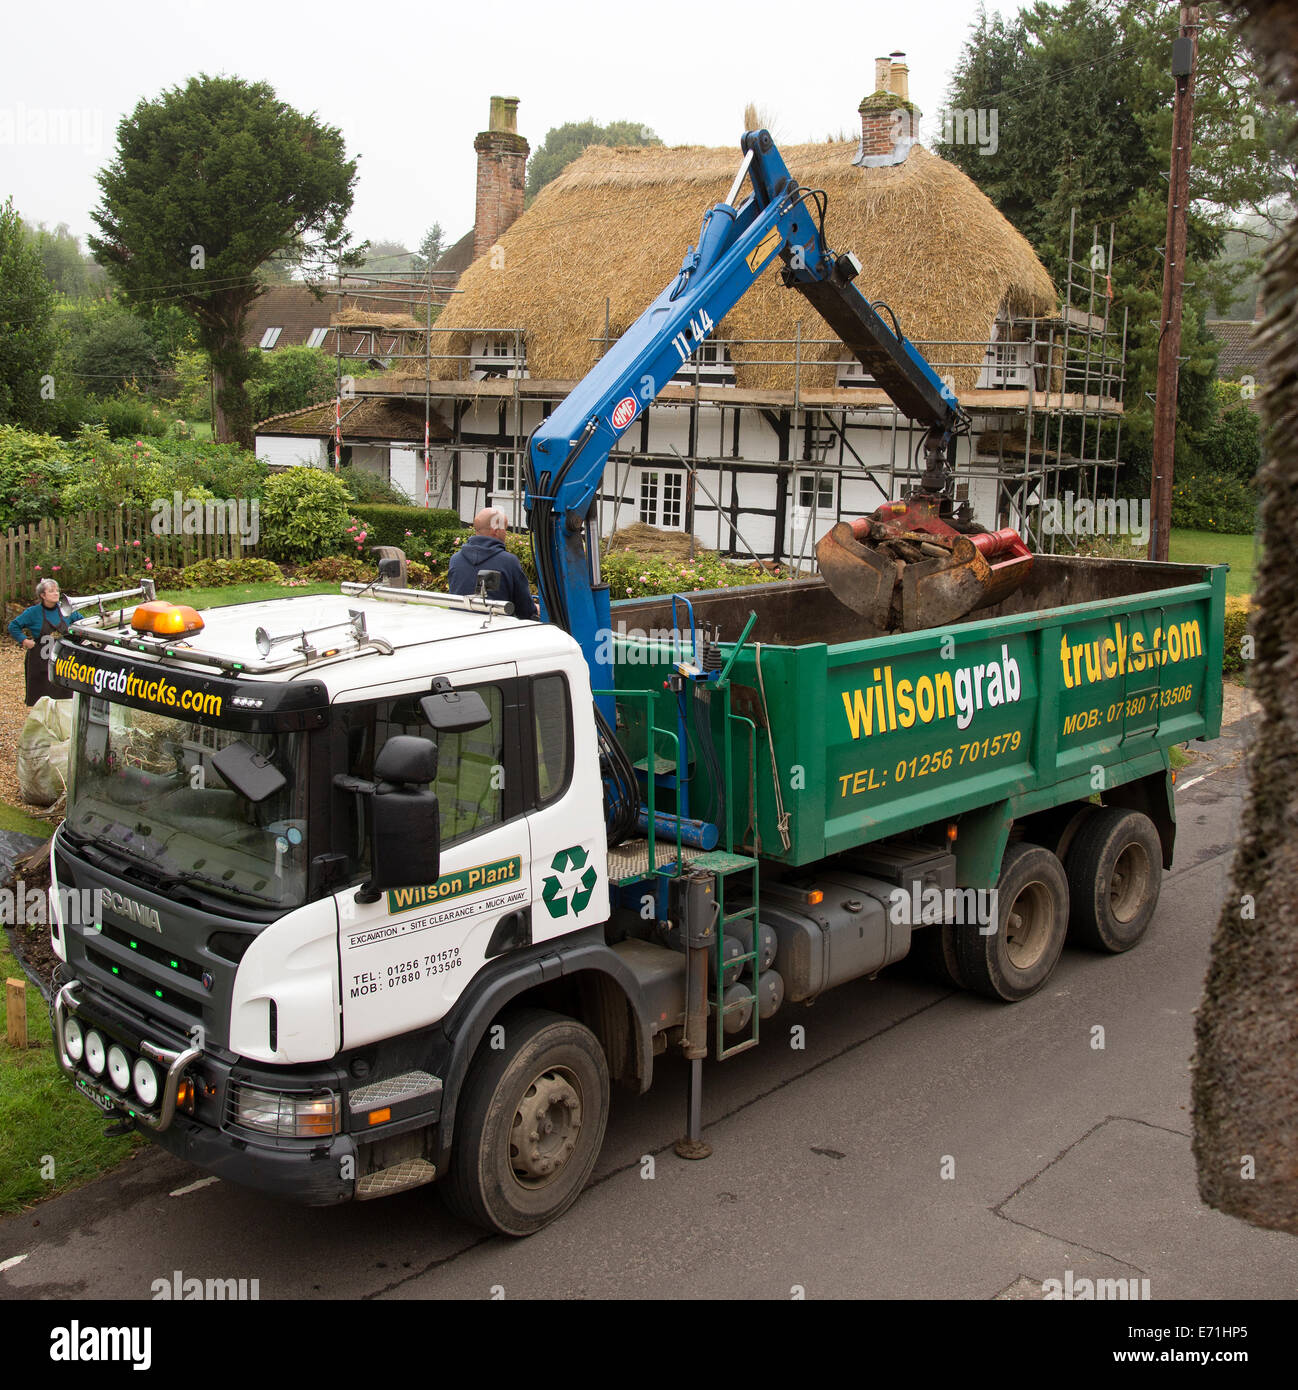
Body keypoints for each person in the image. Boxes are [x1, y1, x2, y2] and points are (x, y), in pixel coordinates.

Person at [447, 508, 538, 619]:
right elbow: (525, 610)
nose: (506, 533)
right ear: (496, 530)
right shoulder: (509, 562)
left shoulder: (455, 559)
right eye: (505, 528)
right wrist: (535, 609)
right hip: (495, 629)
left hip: (460, 625)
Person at [8, 578, 84, 706]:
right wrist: (25, 640)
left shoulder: (66, 610)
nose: (56, 593)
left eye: (57, 591)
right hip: (40, 661)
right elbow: (13, 626)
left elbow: (83, 623)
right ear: (43, 595)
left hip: (63, 659)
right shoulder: (32, 612)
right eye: (51, 591)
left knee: (64, 696)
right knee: (41, 697)